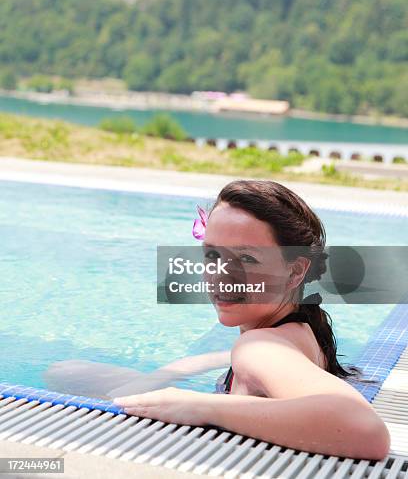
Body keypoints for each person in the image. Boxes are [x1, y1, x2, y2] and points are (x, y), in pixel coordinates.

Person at [112, 180, 390, 460]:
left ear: (295, 272)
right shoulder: (298, 328)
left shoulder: (259, 348)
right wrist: (181, 370)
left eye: (246, 258)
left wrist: (200, 405)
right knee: (80, 370)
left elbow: (367, 431)